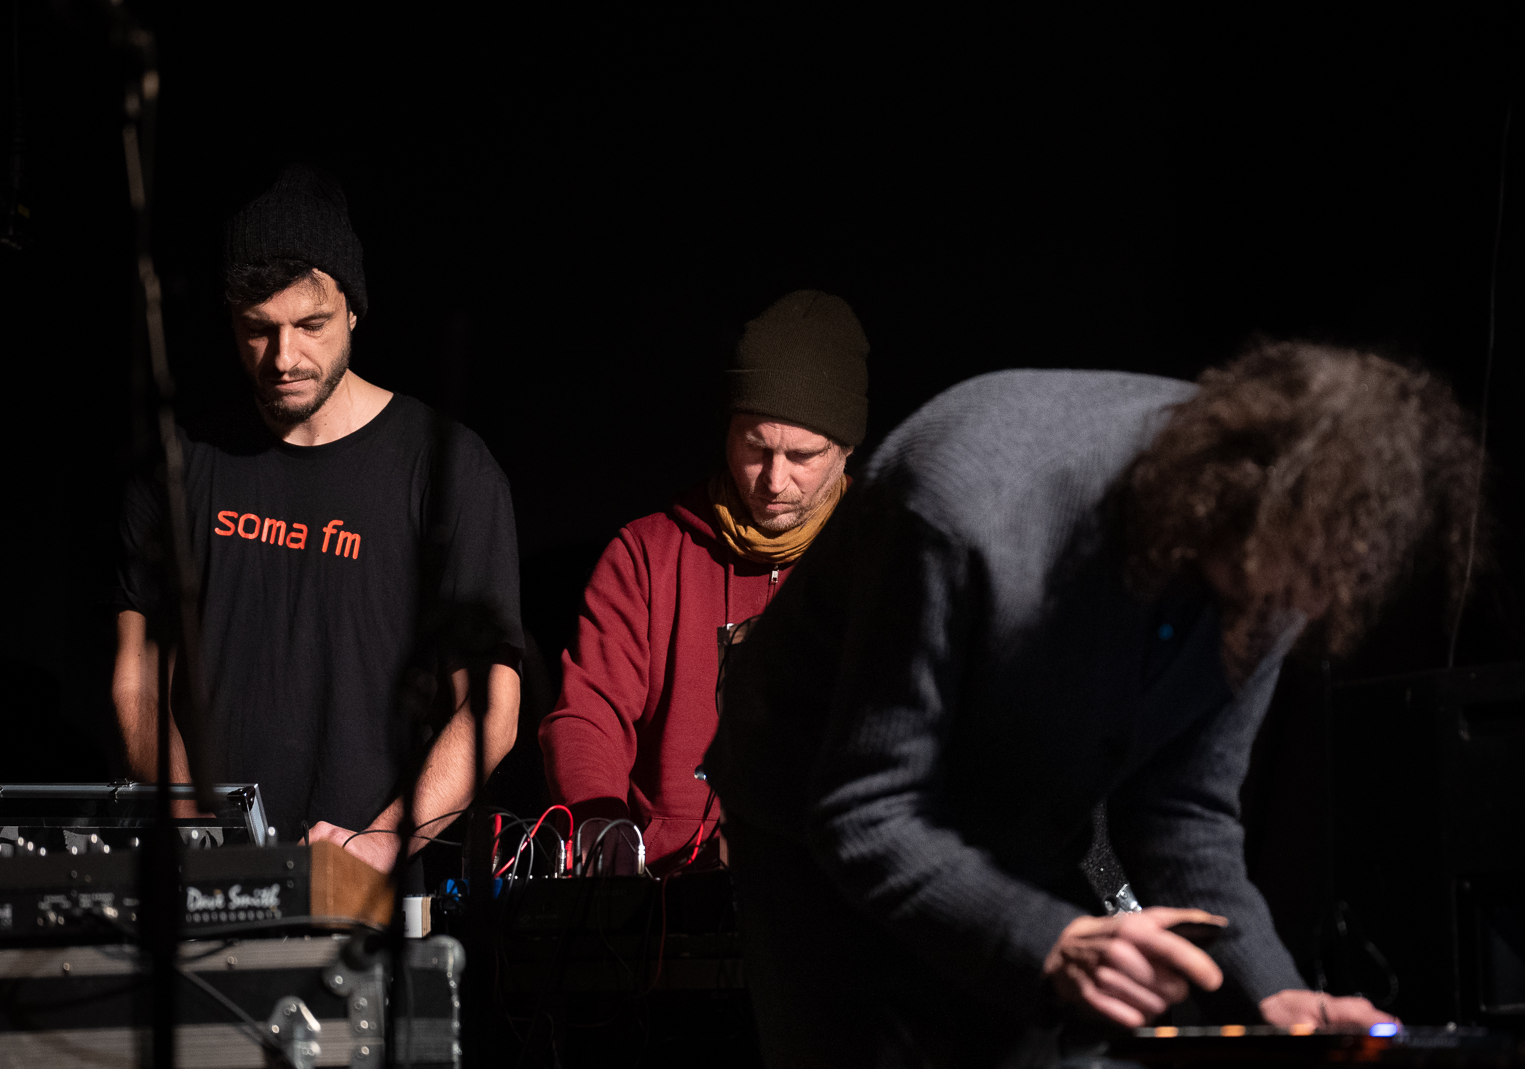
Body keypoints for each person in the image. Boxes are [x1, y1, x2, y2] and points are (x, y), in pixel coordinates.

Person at [707, 342, 1484, 1067]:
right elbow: (866, 811)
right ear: (1223, 500)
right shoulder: (967, 502)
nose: (1276, 616)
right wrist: (1050, 940)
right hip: (815, 825)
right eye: (1268, 591)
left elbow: (1184, 814)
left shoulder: (1283, 560)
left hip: (1011, 819)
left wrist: (1272, 993)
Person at [112, 165, 523, 876]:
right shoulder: (178, 469)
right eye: (258, 330)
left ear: (353, 310)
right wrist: (197, 830)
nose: (285, 358)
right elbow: (137, 680)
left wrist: (381, 844)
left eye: (311, 325)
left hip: (374, 889)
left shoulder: (449, 469)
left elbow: (492, 707)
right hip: (208, 880)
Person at [538, 290, 869, 871]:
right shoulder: (646, 555)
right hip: (669, 891)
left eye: (802, 456)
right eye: (755, 447)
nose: (773, 480)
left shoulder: (885, 562)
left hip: (831, 887)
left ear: (845, 449)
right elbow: (588, 713)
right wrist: (600, 820)